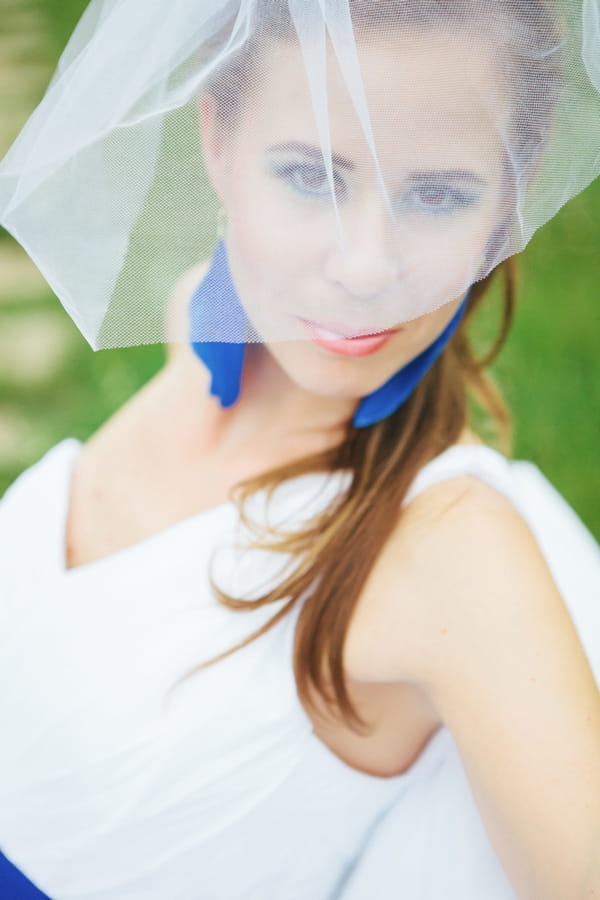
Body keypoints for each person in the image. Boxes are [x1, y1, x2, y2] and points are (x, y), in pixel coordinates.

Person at [0, 1, 599, 898]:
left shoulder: (454, 552)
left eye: (437, 194)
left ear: (512, 192)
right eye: (311, 177)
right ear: (217, 139)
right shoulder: (193, 319)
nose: (365, 267)